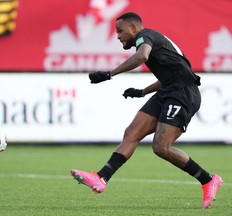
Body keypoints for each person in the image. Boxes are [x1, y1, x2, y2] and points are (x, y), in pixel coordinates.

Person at [70, 12, 223, 209]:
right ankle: (101, 177)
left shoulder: (145, 36)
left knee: (161, 147)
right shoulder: (154, 41)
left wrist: (110, 74)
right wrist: (142, 92)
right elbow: (171, 74)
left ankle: (208, 179)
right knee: (132, 133)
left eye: (120, 31)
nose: (118, 36)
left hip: (183, 94)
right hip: (168, 90)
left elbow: (142, 56)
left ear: (134, 28)